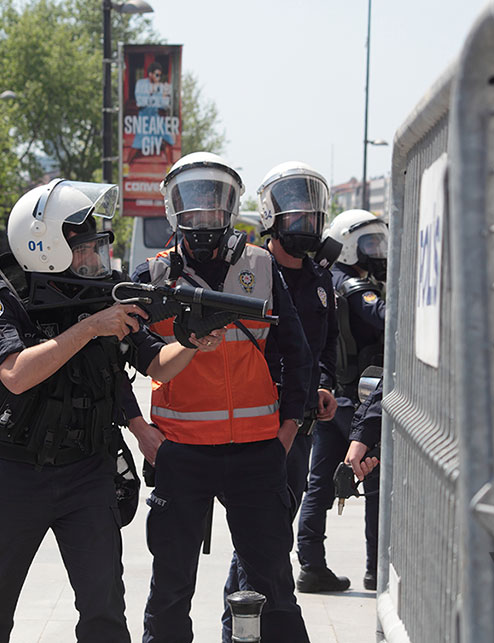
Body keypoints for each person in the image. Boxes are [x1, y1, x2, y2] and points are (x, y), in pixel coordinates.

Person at [0, 178, 223, 642]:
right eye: (84, 249)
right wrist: (89, 328)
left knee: (104, 616)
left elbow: (155, 360)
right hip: (17, 474)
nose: (95, 260)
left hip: (88, 472)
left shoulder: (106, 295)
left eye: (98, 247)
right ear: (46, 247)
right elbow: (16, 374)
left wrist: (191, 342)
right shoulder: (4, 296)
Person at [132, 152, 313, 643]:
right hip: (181, 451)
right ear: (173, 207)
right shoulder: (151, 276)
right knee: (170, 589)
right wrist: (142, 432)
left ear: (231, 205)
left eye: (215, 200)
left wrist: (287, 432)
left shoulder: (261, 265)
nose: (204, 213)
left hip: (257, 453)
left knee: (275, 584)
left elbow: (299, 355)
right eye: (193, 200)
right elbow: (117, 357)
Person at [223, 161, 338, 621]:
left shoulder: (320, 278)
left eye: (312, 217)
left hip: (302, 424)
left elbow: (324, 346)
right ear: (272, 216)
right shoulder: (252, 269)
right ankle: (241, 626)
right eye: (296, 216)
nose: (305, 224)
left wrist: (324, 385)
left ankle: (249, 622)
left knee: (273, 534)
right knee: (262, 536)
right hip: (260, 423)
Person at [296, 209, 387, 593]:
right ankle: (375, 568)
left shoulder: (325, 280)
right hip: (358, 400)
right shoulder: (351, 285)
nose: (376, 251)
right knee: (373, 482)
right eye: (368, 242)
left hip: (332, 396)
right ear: (348, 243)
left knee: (318, 482)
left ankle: (311, 565)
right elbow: (386, 316)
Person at [127, 61, 175, 165]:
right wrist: (152, 93)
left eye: (160, 75)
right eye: (157, 75)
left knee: (168, 139)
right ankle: (127, 164)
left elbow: (164, 105)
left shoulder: (161, 86)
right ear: (150, 74)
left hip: (155, 115)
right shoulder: (141, 84)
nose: (158, 77)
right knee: (138, 141)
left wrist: (164, 95)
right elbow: (140, 102)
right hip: (144, 115)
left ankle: (170, 168)